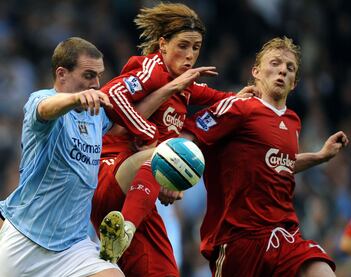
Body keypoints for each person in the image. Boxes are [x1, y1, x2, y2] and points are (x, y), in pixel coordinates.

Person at [90, 3, 258, 275]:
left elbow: (222, 100)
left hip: (138, 193)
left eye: (196, 47)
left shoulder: (185, 85)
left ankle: (120, 236)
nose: (190, 55)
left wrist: (249, 98)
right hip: (110, 173)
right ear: (163, 44)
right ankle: (125, 231)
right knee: (173, 149)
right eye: (183, 45)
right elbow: (112, 96)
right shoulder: (152, 68)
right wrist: (153, 140)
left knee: (164, 269)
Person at [182, 37, 349, 276]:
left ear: (294, 83)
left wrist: (320, 157)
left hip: (283, 234)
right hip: (239, 239)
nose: (282, 70)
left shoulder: (293, 121)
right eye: (275, 63)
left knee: (321, 270)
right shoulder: (240, 107)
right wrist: (175, 176)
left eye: (290, 68)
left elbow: (278, 164)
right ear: (256, 71)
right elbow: (190, 132)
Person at [0, 37, 126, 277]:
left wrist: (170, 88)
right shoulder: (41, 99)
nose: (97, 84)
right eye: (89, 75)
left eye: (99, 76)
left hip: (74, 245)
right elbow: (46, 108)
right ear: (62, 74)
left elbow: (132, 118)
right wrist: (75, 99)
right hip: (26, 239)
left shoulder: (96, 114)